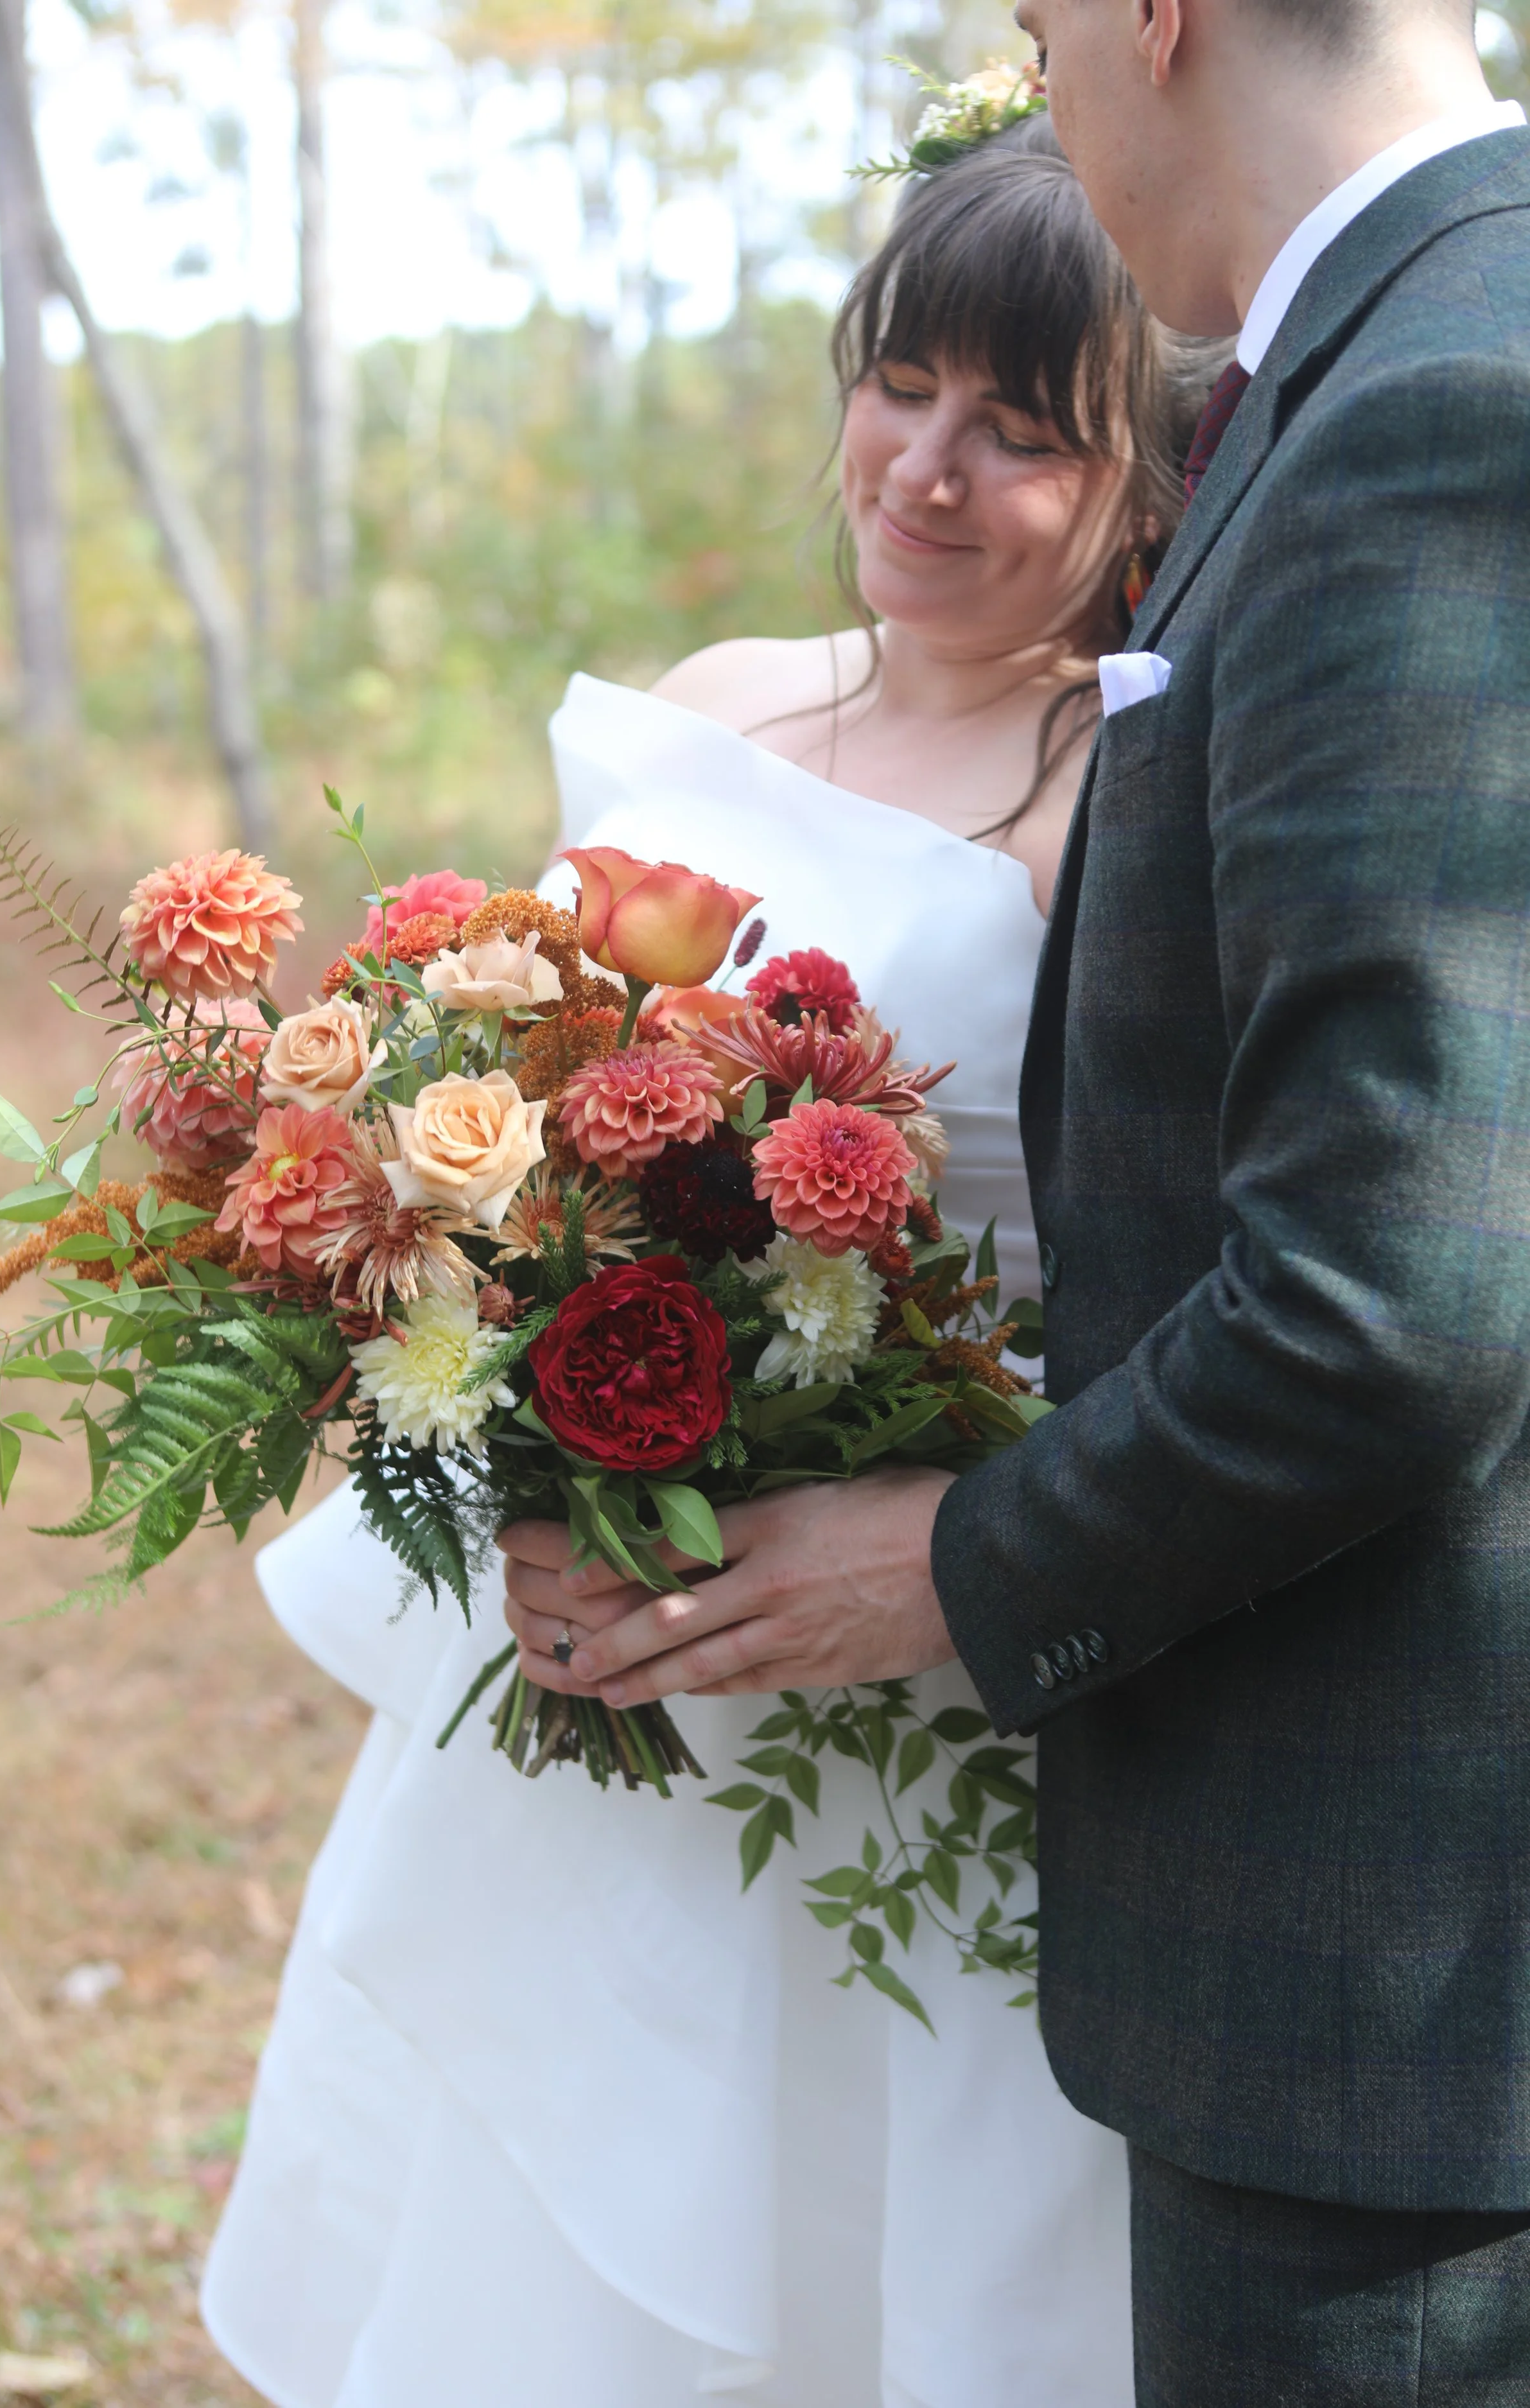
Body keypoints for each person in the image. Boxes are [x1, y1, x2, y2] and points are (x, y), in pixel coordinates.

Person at [508, 3, 1530, 2400]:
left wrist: (945, 1560)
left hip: (1384, 1959)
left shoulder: (1436, 411)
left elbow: (1400, 1286)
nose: (1042, 79)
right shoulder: (1360, 363)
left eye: (1040, 26)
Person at [200, 118, 1215, 2408]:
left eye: (1022, 435)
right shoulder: (724, 689)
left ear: (1148, 481)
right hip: (594, 1582)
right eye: (902, 385)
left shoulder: (1121, 792)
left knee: (858, 2224)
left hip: (889, 1627)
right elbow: (533, 1108)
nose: (926, 471)